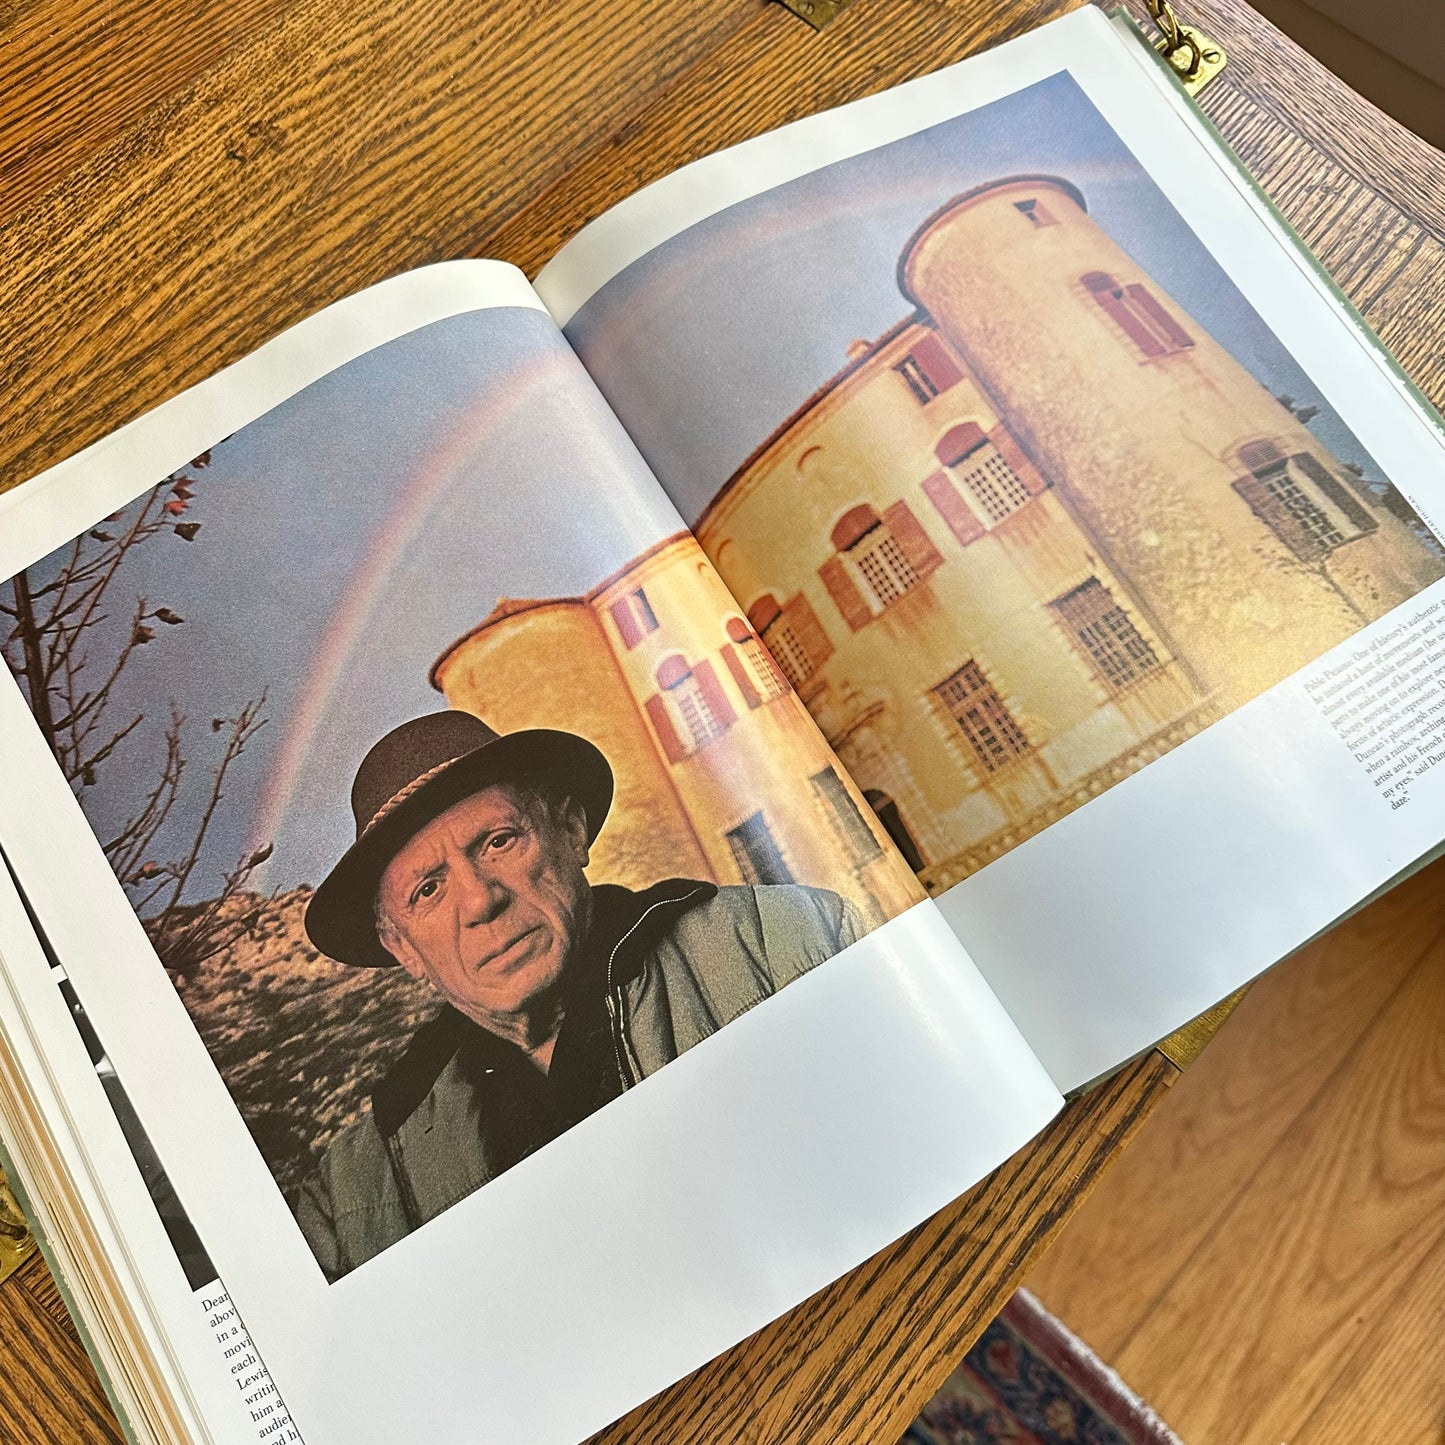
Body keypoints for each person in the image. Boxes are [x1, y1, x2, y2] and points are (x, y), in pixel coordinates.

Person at [294, 710, 864, 1279]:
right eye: (428, 889)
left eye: (497, 842)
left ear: (570, 831)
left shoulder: (789, 944)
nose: (479, 901)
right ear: (403, 948)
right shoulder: (354, 1194)